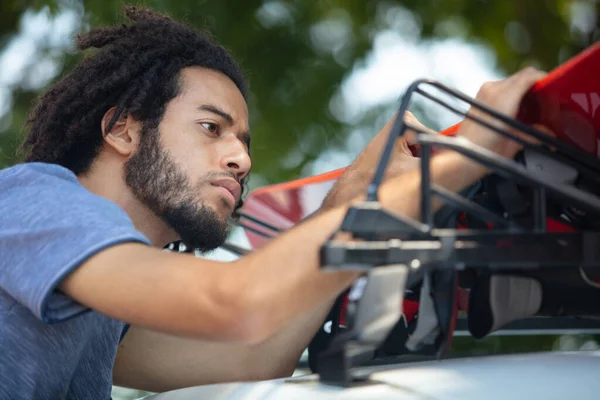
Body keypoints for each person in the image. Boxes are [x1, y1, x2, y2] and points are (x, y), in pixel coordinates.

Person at [0, 5, 548, 400]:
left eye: (243, 141)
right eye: (212, 127)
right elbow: (234, 302)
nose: (240, 158)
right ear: (122, 129)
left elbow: (255, 355)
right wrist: (466, 158)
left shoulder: (101, 312)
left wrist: (351, 198)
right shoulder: (34, 200)